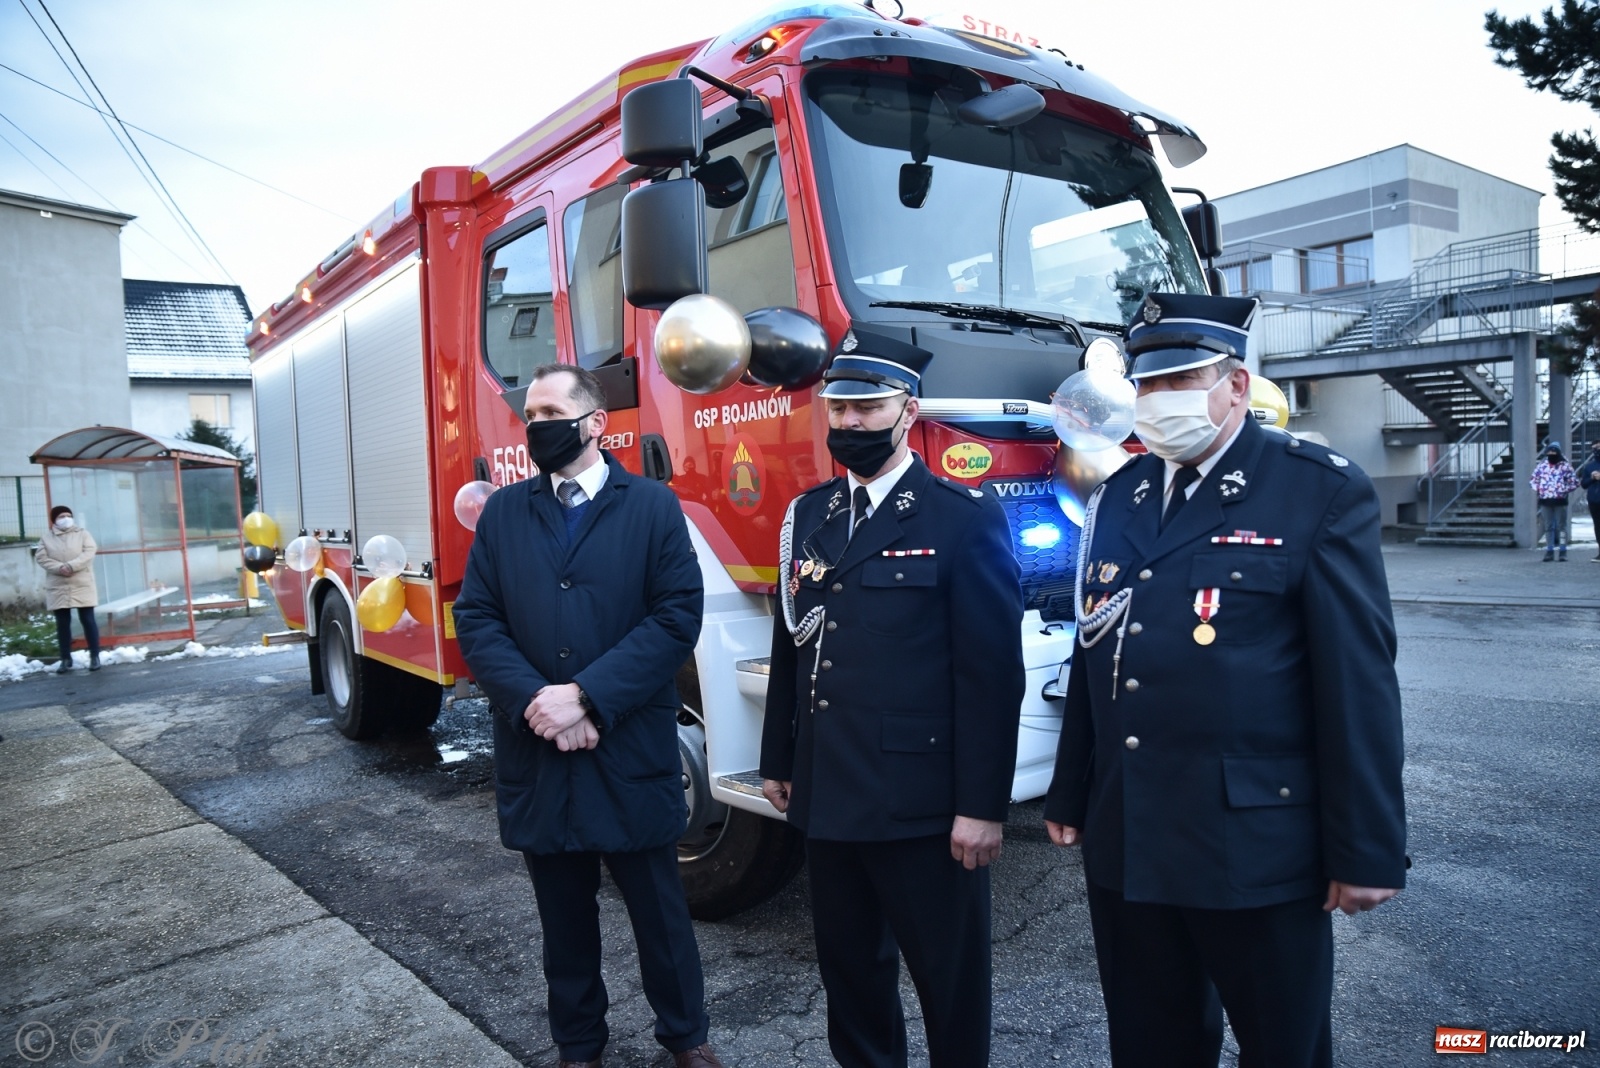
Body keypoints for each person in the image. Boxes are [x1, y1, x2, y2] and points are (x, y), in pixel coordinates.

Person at [1043, 293, 1407, 1068]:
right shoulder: (1119, 495)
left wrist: (1366, 849)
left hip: (1255, 845)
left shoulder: (1316, 489)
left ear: (1236, 385)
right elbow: (1096, 649)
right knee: (1150, 1044)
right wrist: (1072, 792)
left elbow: (1358, 682)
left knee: (1284, 1046)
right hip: (1132, 833)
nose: (1159, 402)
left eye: (1181, 381)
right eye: (1147, 387)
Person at [760, 331, 1026, 1068]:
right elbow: (793, 639)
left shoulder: (959, 519)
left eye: (868, 408)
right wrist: (779, 757)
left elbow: (991, 674)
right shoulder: (810, 515)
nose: (850, 425)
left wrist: (982, 806)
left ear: (907, 411)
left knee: (950, 982)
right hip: (831, 794)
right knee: (852, 977)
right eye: (838, 410)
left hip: (924, 804)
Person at [452, 363, 722, 1068]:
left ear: (596, 423)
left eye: (550, 411)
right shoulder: (506, 513)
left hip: (626, 744)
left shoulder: (654, 507)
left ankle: (685, 1038)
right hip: (540, 746)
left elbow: (673, 620)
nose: (536, 424)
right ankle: (579, 1045)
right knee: (563, 919)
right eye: (530, 415)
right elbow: (477, 618)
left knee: (660, 913)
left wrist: (588, 695)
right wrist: (539, 701)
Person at [36, 504, 101, 674]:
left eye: (68, 515)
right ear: (54, 520)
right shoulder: (46, 538)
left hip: (82, 582)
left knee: (88, 620)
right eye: (61, 516)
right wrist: (60, 568)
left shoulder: (82, 534)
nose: (65, 518)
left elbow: (89, 552)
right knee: (62, 623)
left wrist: (71, 566)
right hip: (58, 584)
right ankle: (65, 658)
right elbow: (41, 558)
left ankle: (95, 656)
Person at [1530, 442, 1580, 561]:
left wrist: (1563, 490)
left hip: (1560, 501)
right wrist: (1540, 489)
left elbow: (1574, 482)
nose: (1551, 454)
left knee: (1561, 527)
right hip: (1545, 501)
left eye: (1554, 452)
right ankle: (1549, 550)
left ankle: (1563, 551)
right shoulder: (1542, 466)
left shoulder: (1565, 466)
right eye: (1549, 452)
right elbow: (1533, 480)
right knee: (1548, 526)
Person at [1578, 442, 1600, 562]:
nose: (1597, 450)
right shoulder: (1589, 466)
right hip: (1594, 501)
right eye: (1595, 448)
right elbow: (1584, 484)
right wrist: (1592, 478)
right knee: (1598, 527)